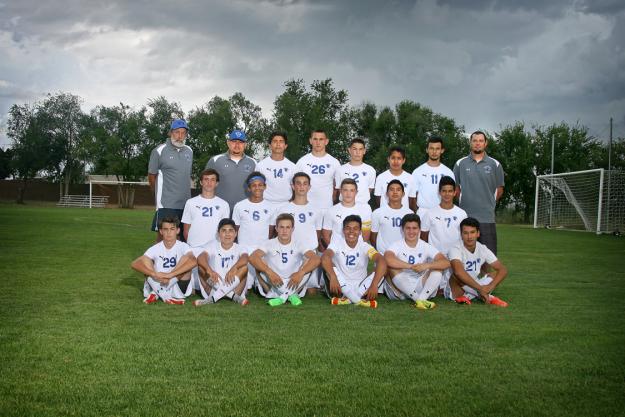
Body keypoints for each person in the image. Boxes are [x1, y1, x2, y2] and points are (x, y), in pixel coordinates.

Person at [250, 214, 321, 307]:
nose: (284, 231)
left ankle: (281, 297)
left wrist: (301, 273)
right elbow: (252, 257)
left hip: (294, 281)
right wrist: (269, 272)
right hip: (274, 280)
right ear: (276, 228)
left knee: (309, 262)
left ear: (292, 229)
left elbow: (316, 259)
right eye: (281, 227)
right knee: (259, 262)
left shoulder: (299, 243)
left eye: (288, 227)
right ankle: (291, 295)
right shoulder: (269, 243)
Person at [271, 172, 324, 294]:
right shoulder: (283, 209)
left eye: (305, 184)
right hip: (290, 253)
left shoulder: (316, 210)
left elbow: (318, 233)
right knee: (287, 286)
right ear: (293, 186)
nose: (301, 186)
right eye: (298, 183)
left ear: (309, 187)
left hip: (309, 254)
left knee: (311, 292)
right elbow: (277, 233)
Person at [383, 214, 450, 310]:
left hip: (419, 286)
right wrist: (410, 266)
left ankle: (420, 300)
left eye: (414, 228)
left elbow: (446, 262)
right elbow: (388, 259)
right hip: (399, 289)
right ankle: (419, 300)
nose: (411, 231)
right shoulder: (396, 245)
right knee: (392, 267)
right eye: (408, 228)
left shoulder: (425, 245)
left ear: (419, 229)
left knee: (437, 268)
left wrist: (426, 265)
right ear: (402, 229)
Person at [453, 131, 504, 254]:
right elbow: (455, 188)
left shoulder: (495, 164)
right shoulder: (460, 163)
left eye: (481, 141)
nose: (477, 143)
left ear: (485, 143)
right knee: (464, 255)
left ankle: (486, 275)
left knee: (488, 256)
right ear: (470, 142)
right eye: (475, 140)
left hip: (487, 217)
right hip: (466, 217)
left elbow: (499, 189)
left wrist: (489, 203)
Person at [321, 215, 386, 309]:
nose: (351, 231)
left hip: (361, 286)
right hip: (339, 286)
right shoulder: (336, 244)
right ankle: (357, 299)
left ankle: (350, 298)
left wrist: (375, 284)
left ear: (360, 232)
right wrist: (333, 276)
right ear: (343, 230)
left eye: (355, 229)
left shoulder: (364, 246)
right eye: (348, 228)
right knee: (328, 263)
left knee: (382, 267)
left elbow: (382, 261)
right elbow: (325, 257)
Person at [131, 216, 196, 305]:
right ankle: (166, 297)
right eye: (165, 229)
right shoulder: (156, 247)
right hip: (158, 282)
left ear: (177, 231)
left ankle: (156, 294)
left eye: (172, 229)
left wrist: (170, 275)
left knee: (187, 264)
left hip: (176, 283)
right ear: (161, 231)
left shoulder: (183, 246)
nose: (169, 232)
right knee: (146, 261)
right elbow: (134, 264)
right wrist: (154, 274)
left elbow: (194, 261)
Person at [445, 217, 509, 307]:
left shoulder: (482, 248)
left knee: (495, 274)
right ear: (461, 234)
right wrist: (480, 289)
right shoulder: (455, 248)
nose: (469, 237)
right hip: (457, 289)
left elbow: (503, 270)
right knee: (457, 275)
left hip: (474, 285)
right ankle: (488, 297)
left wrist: (490, 287)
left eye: (472, 232)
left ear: (478, 233)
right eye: (465, 233)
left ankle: (474, 295)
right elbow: (459, 272)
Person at [148, 119, 193, 241]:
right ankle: (157, 260)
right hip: (167, 204)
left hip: (185, 205)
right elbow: (152, 176)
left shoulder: (189, 151)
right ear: (170, 133)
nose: (180, 136)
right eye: (177, 132)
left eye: (183, 133)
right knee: (164, 240)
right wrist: (157, 194)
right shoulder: (159, 151)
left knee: (183, 241)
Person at [232, 172, 275, 289]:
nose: (257, 188)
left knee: (267, 290)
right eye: (254, 185)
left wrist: (265, 247)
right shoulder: (239, 206)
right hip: (245, 249)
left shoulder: (271, 207)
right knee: (242, 288)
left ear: (265, 186)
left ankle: (259, 282)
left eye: (260, 185)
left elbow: (271, 231)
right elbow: (235, 229)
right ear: (249, 188)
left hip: (262, 250)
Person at [193, 218, 249, 306]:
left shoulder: (240, 247)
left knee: (244, 267)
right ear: (218, 233)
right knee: (202, 267)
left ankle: (213, 299)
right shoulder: (212, 246)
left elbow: (245, 258)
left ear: (235, 234)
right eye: (224, 230)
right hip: (214, 286)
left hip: (234, 287)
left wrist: (234, 268)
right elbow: (200, 258)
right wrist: (210, 270)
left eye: (230, 230)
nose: (227, 234)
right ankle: (231, 296)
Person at [205, 129, 256, 214]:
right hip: (219, 210)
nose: (237, 145)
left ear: (245, 145)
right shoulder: (215, 160)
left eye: (240, 142)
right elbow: (206, 185)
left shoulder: (253, 163)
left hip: (245, 211)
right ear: (228, 143)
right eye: (234, 141)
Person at [181, 168, 230, 248]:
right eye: (206, 179)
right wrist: (191, 245)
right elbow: (186, 230)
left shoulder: (223, 204)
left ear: (217, 183)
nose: (209, 182)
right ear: (201, 182)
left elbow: (225, 229)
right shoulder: (190, 202)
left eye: (212, 180)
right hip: (194, 247)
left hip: (215, 248)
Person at [420, 176, 467, 257]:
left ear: (455, 192)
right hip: (435, 257)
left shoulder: (462, 214)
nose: (447, 194)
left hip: (456, 256)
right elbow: (423, 237)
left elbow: (465, 235)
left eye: (450, 191)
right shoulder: (430, 213)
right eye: (444, 191)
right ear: (439, 192)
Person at [295, 129, 341, 211]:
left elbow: (338, 187)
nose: (318, 142)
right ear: (310, 141)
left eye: (321, 139)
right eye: (315, 139)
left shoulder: (334, 162)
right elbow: (295, 185)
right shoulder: (302, 161)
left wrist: (334, 202)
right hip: (306, 207)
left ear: (326, 141)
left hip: (327, 207)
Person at [412, 136, 455, 217]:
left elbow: (452, 194)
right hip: (423, 212)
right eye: (431, 148)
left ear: (442, 150)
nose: (434, 151)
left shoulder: (448, 172)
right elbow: (413, 195)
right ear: (427, 150)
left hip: (443, 212)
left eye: (437, 148)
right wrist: (416, 210)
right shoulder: (417, 171)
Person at [322, 178, 372, 247]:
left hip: (358, 252)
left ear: (356, 192)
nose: (348, 194)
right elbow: (326, 235)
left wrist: (358, 250)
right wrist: (335, 250)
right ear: (340, 191)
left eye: (352, 190)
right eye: (345, 190)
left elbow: (366, 235)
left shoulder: (365, 209)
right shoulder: (331, 211)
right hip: (338, 253)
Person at [370, 179, 413, 255]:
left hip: (403, 255)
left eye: (398, 190)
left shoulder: (409, 213)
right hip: (384, 254)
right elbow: (373, 236)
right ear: (387, 194)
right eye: (392, 190)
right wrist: (379, 252)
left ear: (403, 194)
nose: (395, 192)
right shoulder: (378, 212)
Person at [256, 132, 296, 209]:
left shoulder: (292, 166)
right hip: (265, 204)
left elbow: (296, 188)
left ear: (285, 146)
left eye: (281, 141)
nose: (278, 144)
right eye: (275, 141)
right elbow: (256, 187)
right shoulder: (261, 165)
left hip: (286, 205)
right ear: (270, 145)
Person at [334, 138, 376, 204]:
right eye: (354, 149)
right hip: (345, 206)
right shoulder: (340, 170)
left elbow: (369, 190)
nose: (357, 152)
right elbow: (339, 190)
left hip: (363, 207)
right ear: (349, 150)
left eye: (360, 149)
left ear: (364, 151)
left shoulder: (370, 170)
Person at [374, 146, 417, 211]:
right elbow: (378, 200)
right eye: (393, 158)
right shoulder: (381, 177)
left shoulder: (410, 178)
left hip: (404, 216)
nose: (396, 161)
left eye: (399, 158)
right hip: (385, 215)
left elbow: (411, 200)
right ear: (388, 159)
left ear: (404, 160)